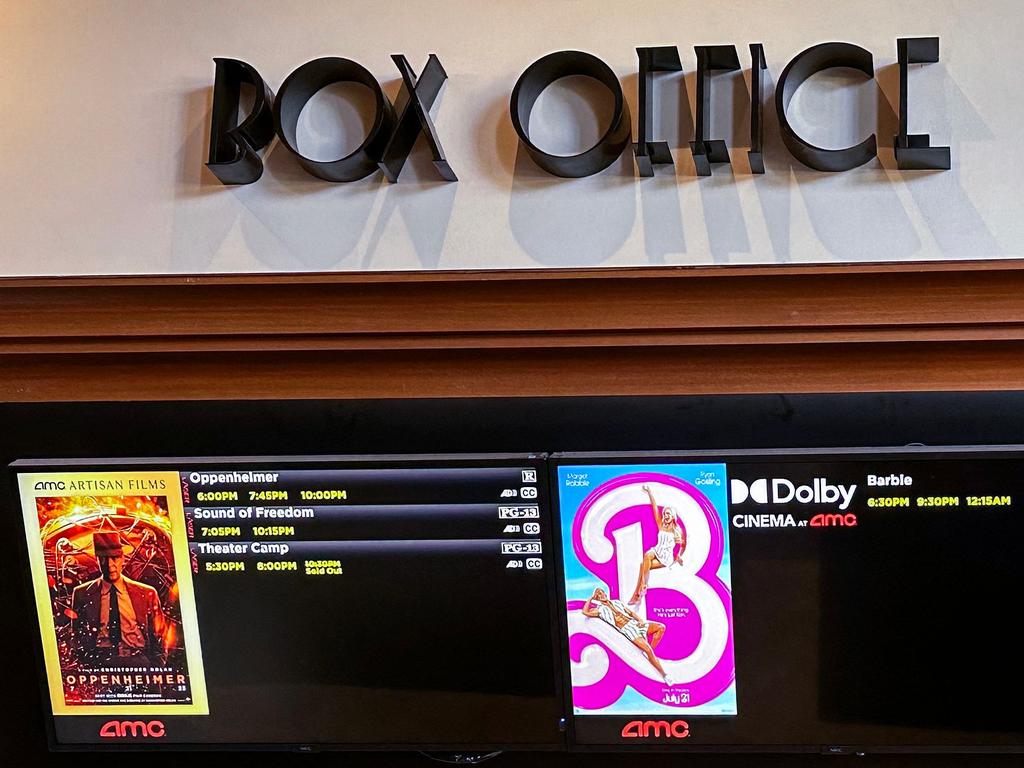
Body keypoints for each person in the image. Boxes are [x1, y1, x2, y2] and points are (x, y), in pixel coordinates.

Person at [71, 532, 164, 667]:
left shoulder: (147, 593)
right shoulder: (82, 594)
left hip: (138, 661)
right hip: (100, 662)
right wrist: (86, 666)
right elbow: (77, 636)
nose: (110, 565)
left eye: (114, 558)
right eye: (103, 558)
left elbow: (159, 636)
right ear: (97, 560)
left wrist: (155, 667)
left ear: (123, 558)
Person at [582, 587, 671, 683]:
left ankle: (650, 655)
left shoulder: (616, 602)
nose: (601, 595)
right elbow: (585, 612)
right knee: (648, 650)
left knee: (661, 627)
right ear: (597, 598)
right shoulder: (600, 610)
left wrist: (640, 621)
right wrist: (590, 598)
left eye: (601, 592)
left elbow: (630, 612)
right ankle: (664, 675)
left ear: (605, 594)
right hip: (627, 629)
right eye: (598, 594)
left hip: (634, 623)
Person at [628, 483, 685, 606]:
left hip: (666, 557)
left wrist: (679, 556)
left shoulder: (677, 530)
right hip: (656, 551)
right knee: (647, 555)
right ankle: (643, 586)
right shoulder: (661, 525)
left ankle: (636, 595)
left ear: (673, 516)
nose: (665, 515)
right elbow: (654, 508)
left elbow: (682, 545)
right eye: (665, 514)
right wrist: (649, 492)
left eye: (668, 514)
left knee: (643, 565)